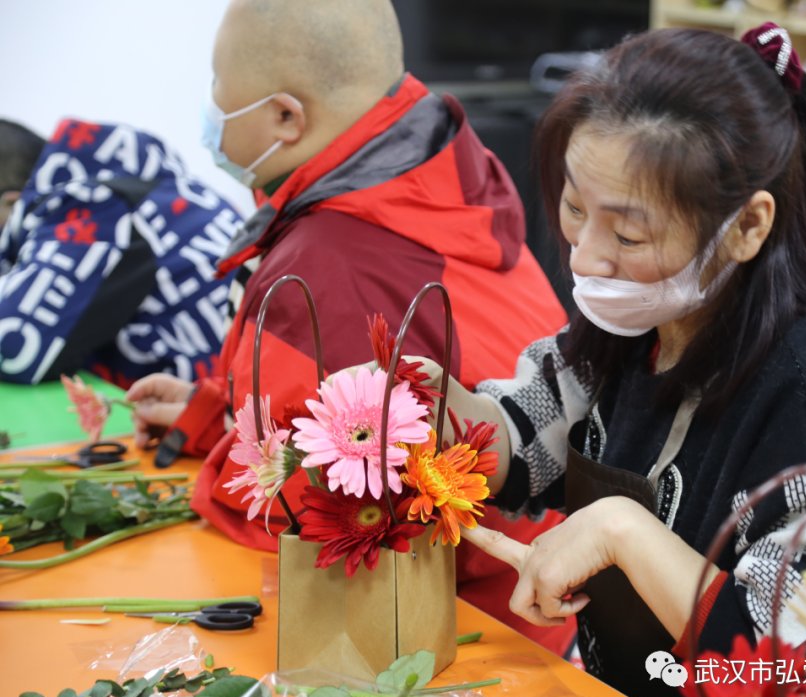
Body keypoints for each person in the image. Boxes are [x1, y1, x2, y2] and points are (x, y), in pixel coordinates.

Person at [415, 25, 806, 697]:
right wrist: (439, 412)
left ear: (748, 227)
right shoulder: (639, 323)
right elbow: (525, 435)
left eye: (629, 234)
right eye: (577, 209)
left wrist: (623, 532)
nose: (585, 257)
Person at [124, 0, 572, 654]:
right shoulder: (439, 176)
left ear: (285, 115)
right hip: (546, 602)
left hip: (458, 639)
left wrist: (223, 441)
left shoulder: (324, 267)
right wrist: (213, 412)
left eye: (218, 84)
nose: (210, 105)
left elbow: (292, 513)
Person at [0, 118, 240, 387]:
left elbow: (13, 345)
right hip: (234, 396)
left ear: (9, 203)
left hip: (231, 409)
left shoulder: (93, 206)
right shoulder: (135, 180)